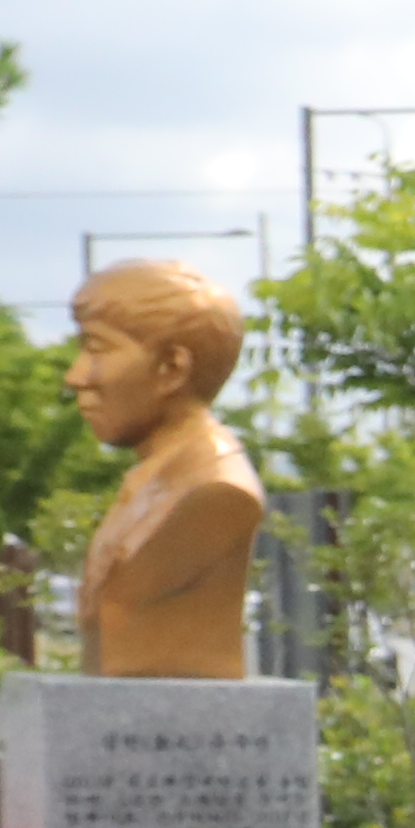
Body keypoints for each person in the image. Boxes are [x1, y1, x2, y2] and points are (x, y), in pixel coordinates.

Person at [58, 258, 266, 680]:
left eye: (96, 348)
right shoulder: (156, 481)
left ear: (172, 367)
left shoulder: (216, 491)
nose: (76, 376)